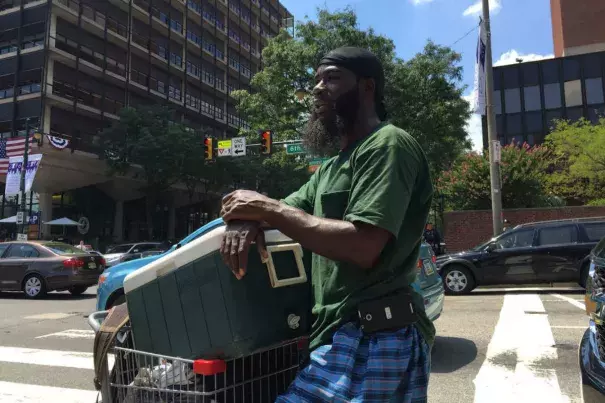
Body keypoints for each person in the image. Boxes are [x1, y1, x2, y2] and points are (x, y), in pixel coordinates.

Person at [220, 46, 434, 402]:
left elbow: (363, 246)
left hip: (377, 335)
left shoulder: (387, 144)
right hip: (336, 334)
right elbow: (284, 211)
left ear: (367, 87)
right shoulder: (332, 168)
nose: (318, 88)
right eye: (316, 79)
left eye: (332, 78)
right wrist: (247, 220)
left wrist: (265, 210)